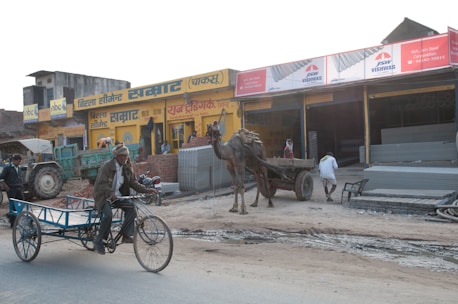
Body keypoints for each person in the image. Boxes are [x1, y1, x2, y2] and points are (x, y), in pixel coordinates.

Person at [92, 144, 157, 255]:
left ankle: (126, 235)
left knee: (131, 208)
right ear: (116, 156)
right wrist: (110, 193)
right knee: (108, 216)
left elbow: (133, 182)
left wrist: (146, 190)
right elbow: (101, 184)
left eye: (126, 156)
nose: (125, 158)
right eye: (122, 156)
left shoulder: (126, 168)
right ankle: (99, 240)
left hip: (118, 196)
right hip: (103, 196)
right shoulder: (107, 167)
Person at [0, 154, 25, 226]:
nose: (19, 163)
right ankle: (13, 223)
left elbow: (19, 177)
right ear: (14, 161)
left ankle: (12, 217)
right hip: (11, 189)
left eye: (20, 162)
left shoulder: (19, 168)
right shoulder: (7, 168)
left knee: (21, 202)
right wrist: (6, 187)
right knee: (13, 206)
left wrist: (21, 186)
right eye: (18, 161)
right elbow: (1, 178)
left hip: (18, 188)